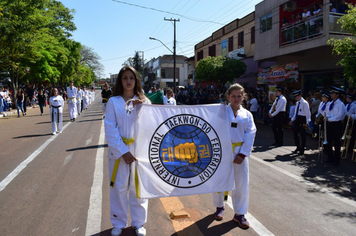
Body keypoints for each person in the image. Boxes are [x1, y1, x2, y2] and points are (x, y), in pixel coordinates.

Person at [104, 66, 151, 236]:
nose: (128, 81)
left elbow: (151, 126)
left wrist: (141, 108)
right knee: (119, 187)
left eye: (132, 77)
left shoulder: (145, 101)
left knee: (138, 187)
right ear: (120, 81)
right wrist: (123, 151)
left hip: (139, 151)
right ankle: (118, 222)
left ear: (136, 80)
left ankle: (139, 223)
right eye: (125, 78)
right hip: (119, 152)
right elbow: (110, 128)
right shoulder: (113, 101)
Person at [213, 83, 256, 229]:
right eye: (233, 96)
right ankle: (220, 206)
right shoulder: (221, 111)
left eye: (239, 96)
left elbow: (250, 133)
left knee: (241, 183)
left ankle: (240, 213)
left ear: (243, 97)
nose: (236, 99)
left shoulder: (247, 114)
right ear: (228, 97)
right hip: (222, 151)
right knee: (220, 180)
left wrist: (243, 153)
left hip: (239, 151)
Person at [324, 87, 346, 165]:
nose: (331, 95)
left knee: (336, 142)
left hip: (337, 124)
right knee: (329, 141)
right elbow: (328, 112)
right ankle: (330, 157)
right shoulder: (330, 103)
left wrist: (329, 119)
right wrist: (327, 117)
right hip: (330, 124)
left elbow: (340, 116)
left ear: (337, 95)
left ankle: (336, 159)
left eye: (333, 93)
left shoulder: (340, 104)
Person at [289, 90, 311, 155]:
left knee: (303, 134)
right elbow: (296, 113)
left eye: (296, 97)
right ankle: (298, 146)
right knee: (295, 133)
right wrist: (292, 120)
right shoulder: (297, 103)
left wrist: (307, 122)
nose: (295, 98)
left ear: (300, 96)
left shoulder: (304, 103)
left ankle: (302, 148)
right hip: (298, 118)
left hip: (303, 118)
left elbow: (308, 113)